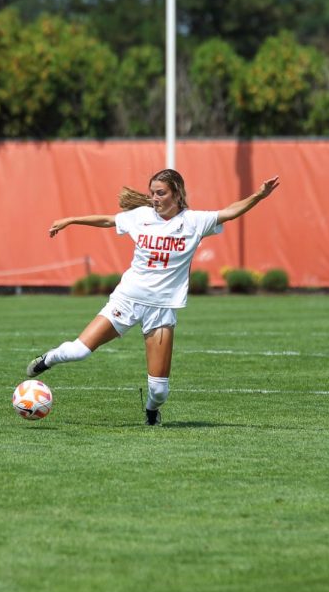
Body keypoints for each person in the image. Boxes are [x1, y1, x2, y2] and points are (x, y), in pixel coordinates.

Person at [26, 168, 279, 425]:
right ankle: (47, 359)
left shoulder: (194, 222)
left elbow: (231, 211)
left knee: (159, 390)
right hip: (127, 300)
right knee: (78, 352)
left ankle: (151, 411)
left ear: (177, 194)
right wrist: (70, 220)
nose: (155, 198)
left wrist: (259, 195)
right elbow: (107, 220)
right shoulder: (142, 217)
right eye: (152, 193)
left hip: (161, 308)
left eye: (161, 193)